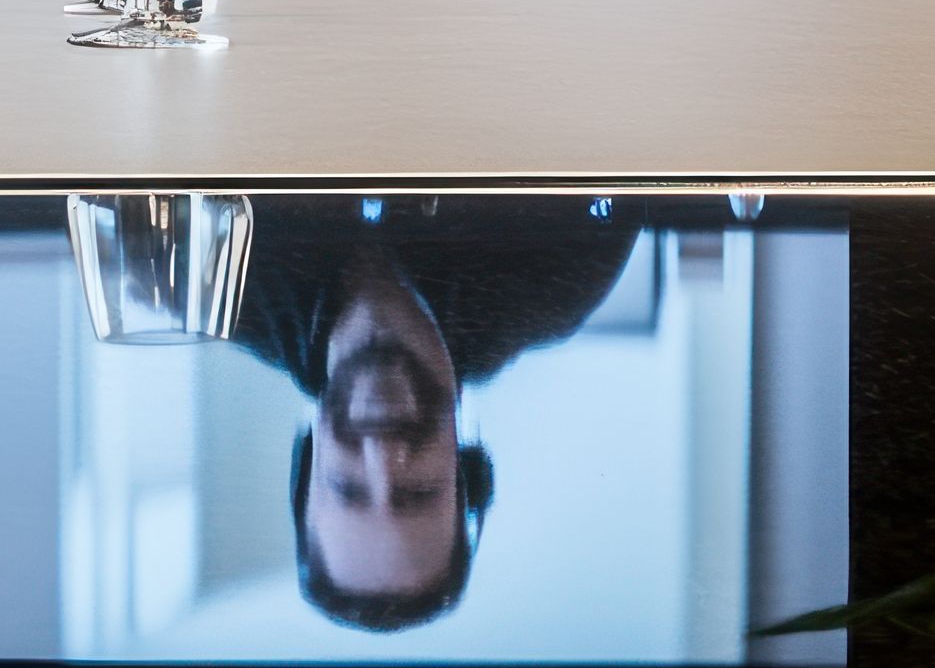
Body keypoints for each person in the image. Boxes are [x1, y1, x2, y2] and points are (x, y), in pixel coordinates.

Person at [232, 194, 639, 632]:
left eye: (348, 489)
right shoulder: (557, 282)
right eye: (416, 492)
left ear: (308, 469)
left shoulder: (211, 281)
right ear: (463, 470)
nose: (382, 455)